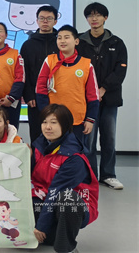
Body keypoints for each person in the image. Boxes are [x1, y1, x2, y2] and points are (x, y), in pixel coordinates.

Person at [31, 104, 98, 253]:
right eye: (44, 122)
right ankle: (51, 235)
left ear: (65, 125)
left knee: (67, 200)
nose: (48, 127)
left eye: (54, 122)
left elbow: (56, 191)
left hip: (74, 203)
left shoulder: (74, 157)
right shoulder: (40, 146)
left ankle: (65, 248)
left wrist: (41, 225)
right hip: (46, 198)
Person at [77, 2, 128, 189]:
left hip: (110, 99)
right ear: (87, 19)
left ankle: (108, 174)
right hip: (86, 100)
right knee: (88, 139)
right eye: (90, 15)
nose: (94, 19)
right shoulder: (79, 42)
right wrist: (91, 92)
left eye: (98, 15)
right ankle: (90, 175)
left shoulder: (117, 43)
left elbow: (120, 70)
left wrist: (103, 88)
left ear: (105, 18)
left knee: (109, 138)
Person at [36, 24, 99, 168]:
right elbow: (40, 89)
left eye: (66, 37)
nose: (62, 41)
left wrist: (90, 119)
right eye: (59, 38)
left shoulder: (86, 65)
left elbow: (93, 95)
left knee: (76, 154)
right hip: (54, 119)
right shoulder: (49, 60)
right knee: (53, 154)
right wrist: (47, 114)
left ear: (76, 41)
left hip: (77, 120)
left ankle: (81, 180)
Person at [20, 5, 59, 144]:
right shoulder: (28, 45)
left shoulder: (60, 43)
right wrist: (29, 95)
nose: (45, 21)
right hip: (35, 98)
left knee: (59, 132)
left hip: (59, 96)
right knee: (37, 134)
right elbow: (24, 72)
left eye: (49, 18)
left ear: (55, 21)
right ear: (37, 21)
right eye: (42, 18)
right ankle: (37, 159)